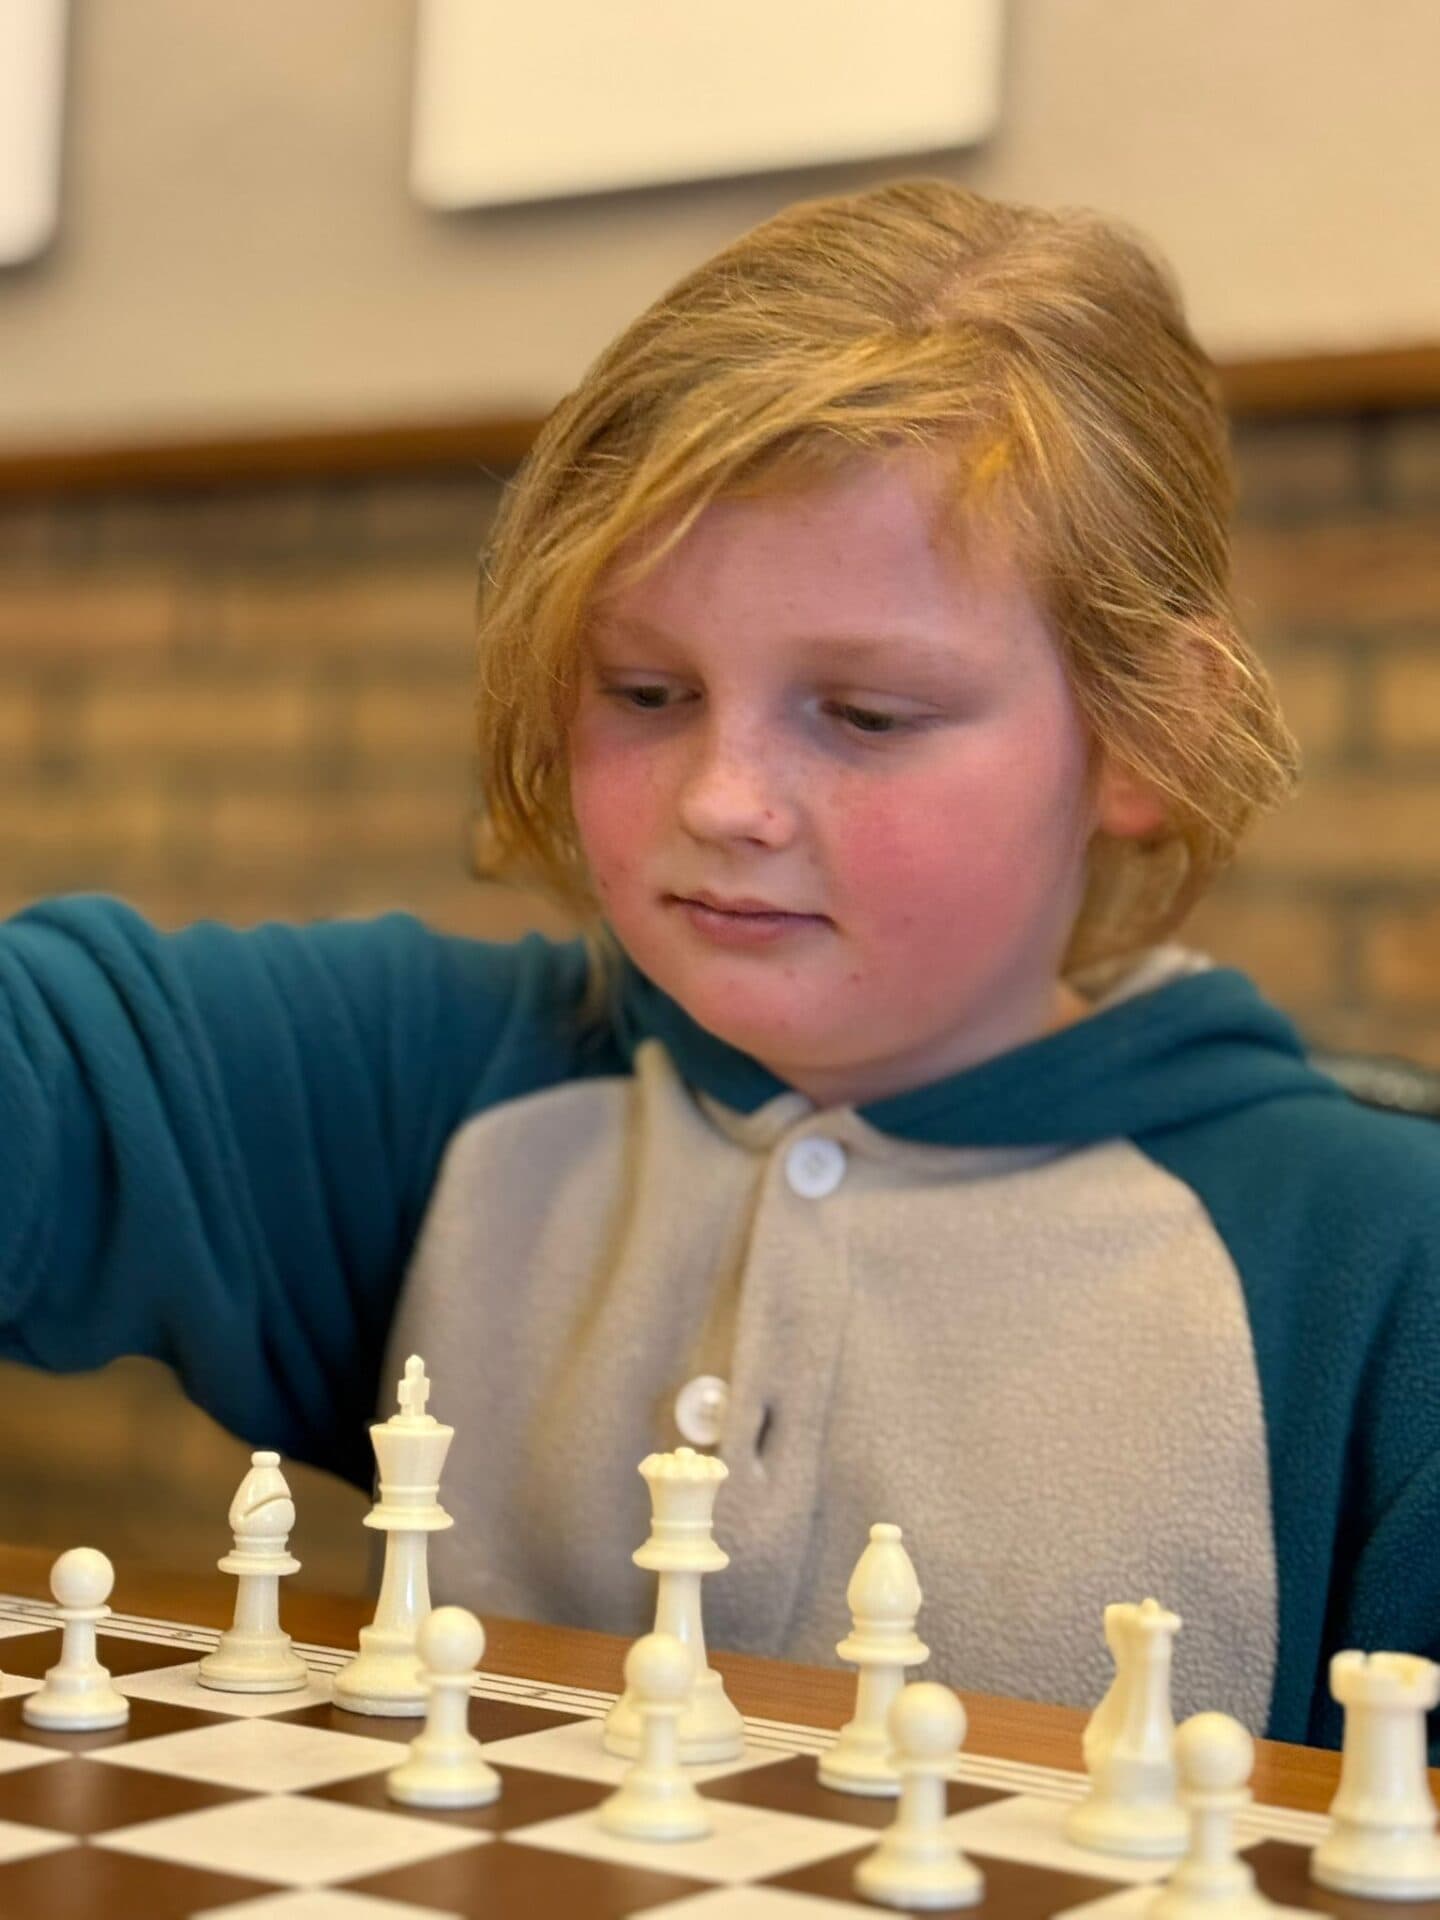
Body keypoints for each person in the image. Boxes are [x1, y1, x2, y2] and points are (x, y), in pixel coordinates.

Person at [2, 179, 1436, 1757]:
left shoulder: (1380, 1266)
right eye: (644, 690)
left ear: (1147, 732)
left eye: (867, 715)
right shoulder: (442, 1089)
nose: (723, 800)